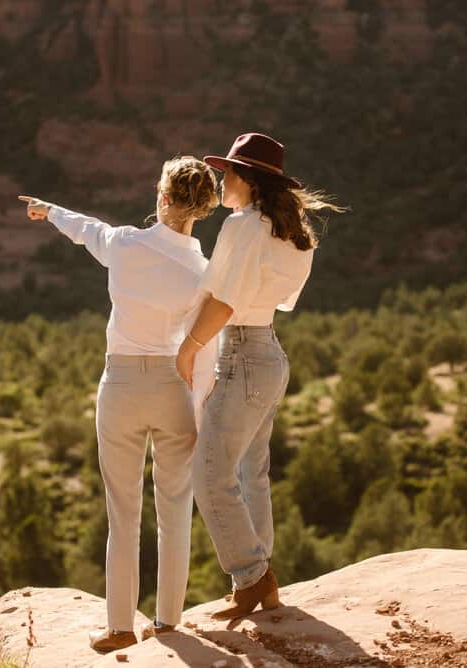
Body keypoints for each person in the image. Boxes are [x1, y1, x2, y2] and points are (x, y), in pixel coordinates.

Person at [19, 156, 219, 653]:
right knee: (174, 510)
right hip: (177, 387)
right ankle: (169, 622)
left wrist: (50, 210)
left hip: (123, 386)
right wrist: (204, 405)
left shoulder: (127, 243)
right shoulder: (203, 269)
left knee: (122, 511)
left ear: (164, 198)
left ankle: (119, 628)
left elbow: (88, 230)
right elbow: (209, 341)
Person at [175, 133, 343, 620]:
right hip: (268, 355)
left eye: (227, 172)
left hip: (243, 356)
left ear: (247, 178)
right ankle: (258, 583)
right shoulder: (286, 230)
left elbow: (224, 300)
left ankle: (251, 576)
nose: (221, 179)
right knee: (253, 474)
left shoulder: (242, 226)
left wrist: (187, 348)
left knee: (209, 475)